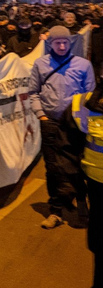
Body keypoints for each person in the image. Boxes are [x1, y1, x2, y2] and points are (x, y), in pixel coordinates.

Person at [30, 25, 95, 229]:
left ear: (70, 43)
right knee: (52, 169)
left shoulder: (83, 65)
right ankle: (56, 211)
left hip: (76, 125)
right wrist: (41, 115)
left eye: (64, 42)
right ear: (50, 43)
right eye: (57, 42)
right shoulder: (40, 64)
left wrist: (84, 121)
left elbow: (90, 96)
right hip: (50, 123)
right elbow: (33, 92)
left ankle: (82, 200)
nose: (60, 45)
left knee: (77, 165)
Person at [69, 86, 102, 285]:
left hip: (96, 180)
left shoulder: (83, 101)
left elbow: (71, 145)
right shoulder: (84, 101)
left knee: (99, 231)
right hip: (96, 180)